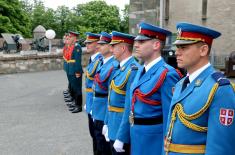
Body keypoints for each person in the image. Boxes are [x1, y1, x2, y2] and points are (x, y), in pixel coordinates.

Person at [163, 22, 235, 155]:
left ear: (203, 50)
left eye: (183, 47)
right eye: (177, 47)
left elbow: (220, 148)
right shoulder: (181, 84)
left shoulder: (219, 88)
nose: (177, 53)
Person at [114, 22, 182, 155]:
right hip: (137, 138)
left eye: (142, 41)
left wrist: (167, 150)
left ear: (156, 45)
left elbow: (170, 119)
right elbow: (130, 107)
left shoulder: (167, 74)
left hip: (153, 143)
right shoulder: (140, 70)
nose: (136, 45)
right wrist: (122, 136)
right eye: (136, 41)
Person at [103, 31, 141, 155]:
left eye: (113, 46)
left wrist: (122, 136)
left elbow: (129, 106)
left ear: (123, 48)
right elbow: (111, 99)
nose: (110, 48)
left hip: (121, 128)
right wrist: (106, 122)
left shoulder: (133, 69)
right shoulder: (121, 68)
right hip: (113, 124)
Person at [92, 32, 119, 155]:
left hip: (104, 109)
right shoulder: (102, 62)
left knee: (104, 146)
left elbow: (111, 93)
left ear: (110, 46)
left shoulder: (113, 65)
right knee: (97, 141)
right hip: (97, 108)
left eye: (102, 44)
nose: (99, 46)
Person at [84, 32, 102, 155]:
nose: (87, 45)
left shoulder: (100, 61)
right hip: (91, 102)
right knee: (93, 135)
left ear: (97, 45)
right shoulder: (92, 60)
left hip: (97, 104)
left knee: (98, 137)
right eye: (86, 43)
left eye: (90, 43)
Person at [65, 31, 83, 113]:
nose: (69, 38)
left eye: (71, 37)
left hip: (75, 71)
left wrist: (78, 72)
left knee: (77, 89)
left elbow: (78, 61)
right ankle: (74, 103)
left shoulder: (77, 47)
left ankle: (78, 106)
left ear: (75, 38)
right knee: (73, 87)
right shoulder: (72, 46)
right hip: (71, 69)